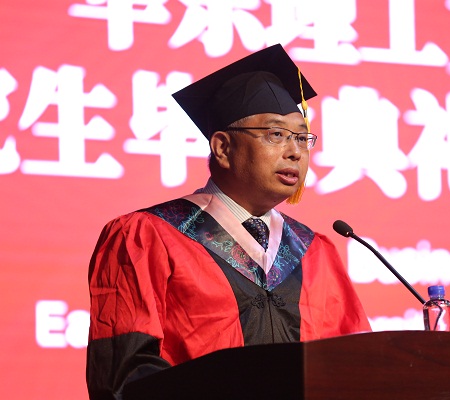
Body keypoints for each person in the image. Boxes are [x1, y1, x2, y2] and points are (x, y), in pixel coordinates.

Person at [86, 44, 371, 400]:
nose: (295, 151)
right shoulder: (148, 236)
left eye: (301, 137)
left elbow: (358, 368)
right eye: (276, 134)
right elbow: (124, 375)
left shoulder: (315, 251)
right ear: (222, 148)